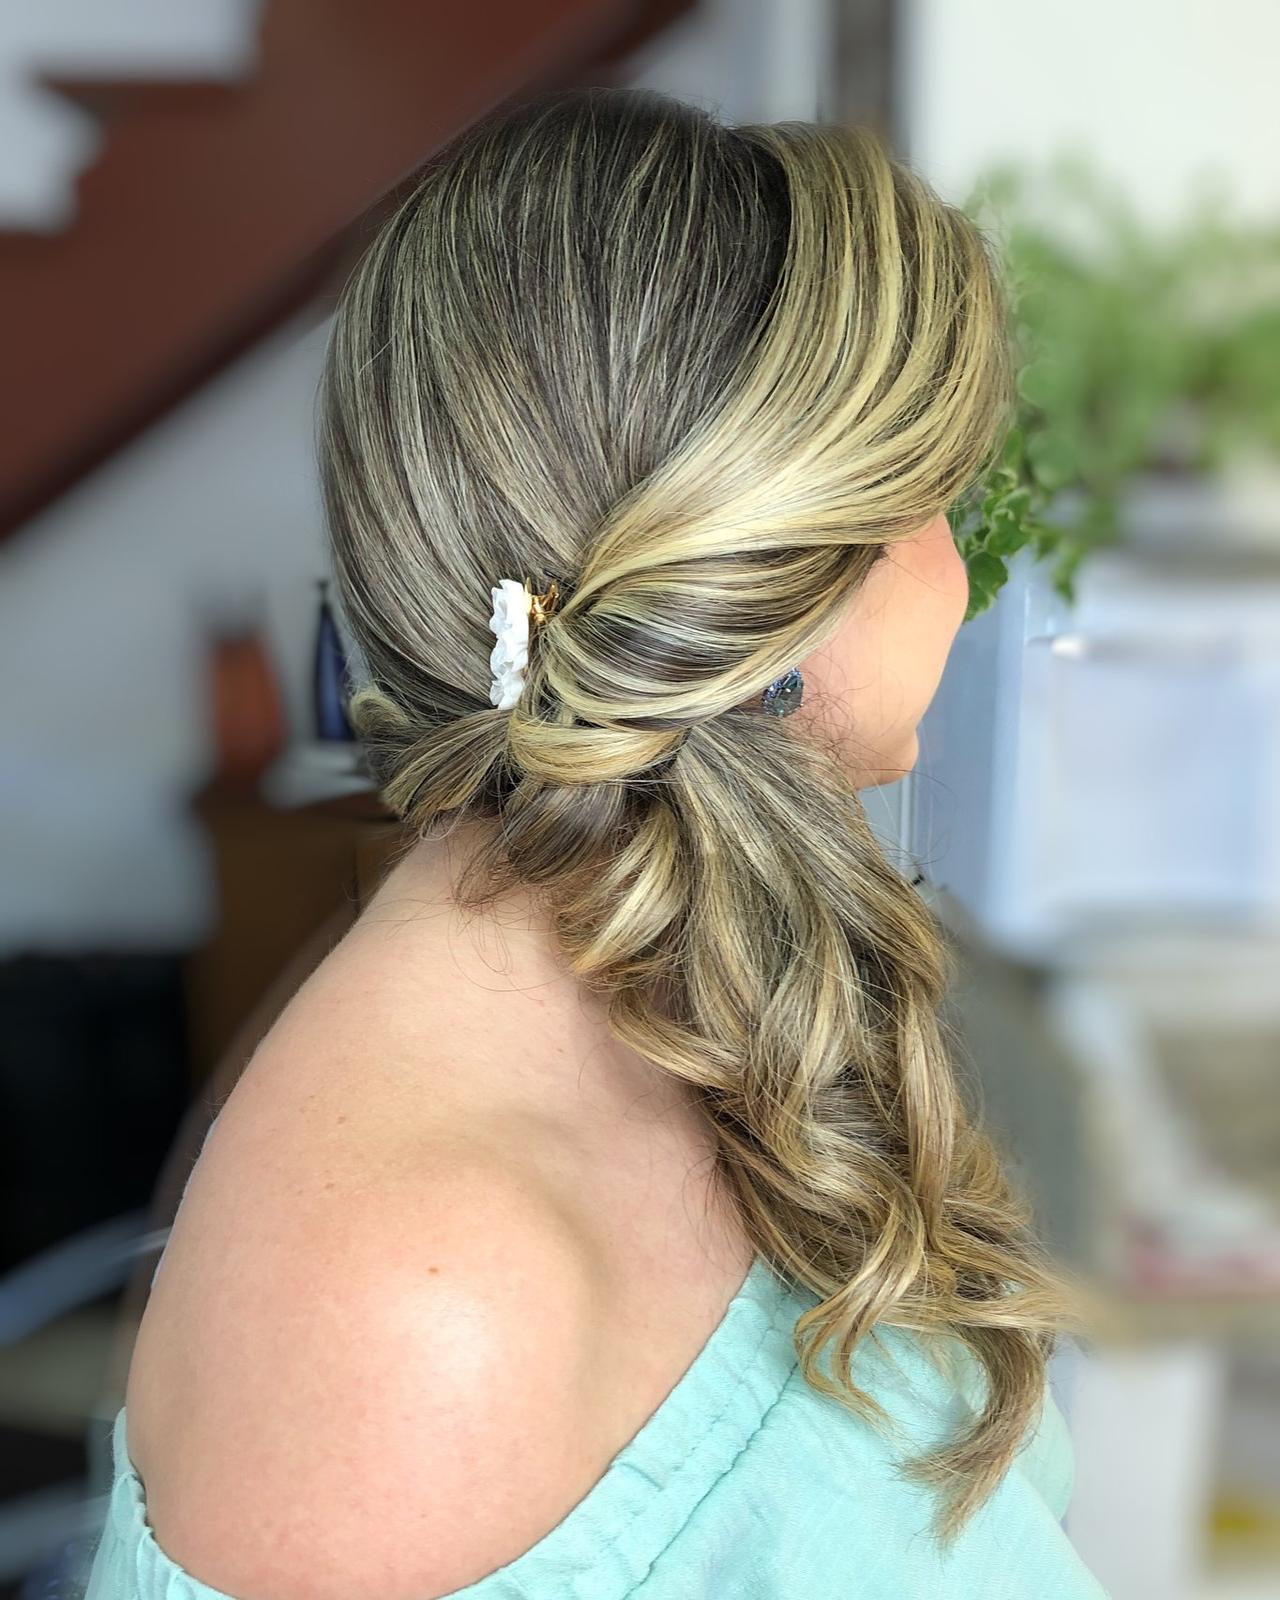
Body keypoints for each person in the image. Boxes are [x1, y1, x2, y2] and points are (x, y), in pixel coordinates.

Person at [83, 86, 1109, 1599]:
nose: (965, 573)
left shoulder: (677, 959)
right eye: (932, 499)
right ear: (776, 573)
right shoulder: (419, 1300)